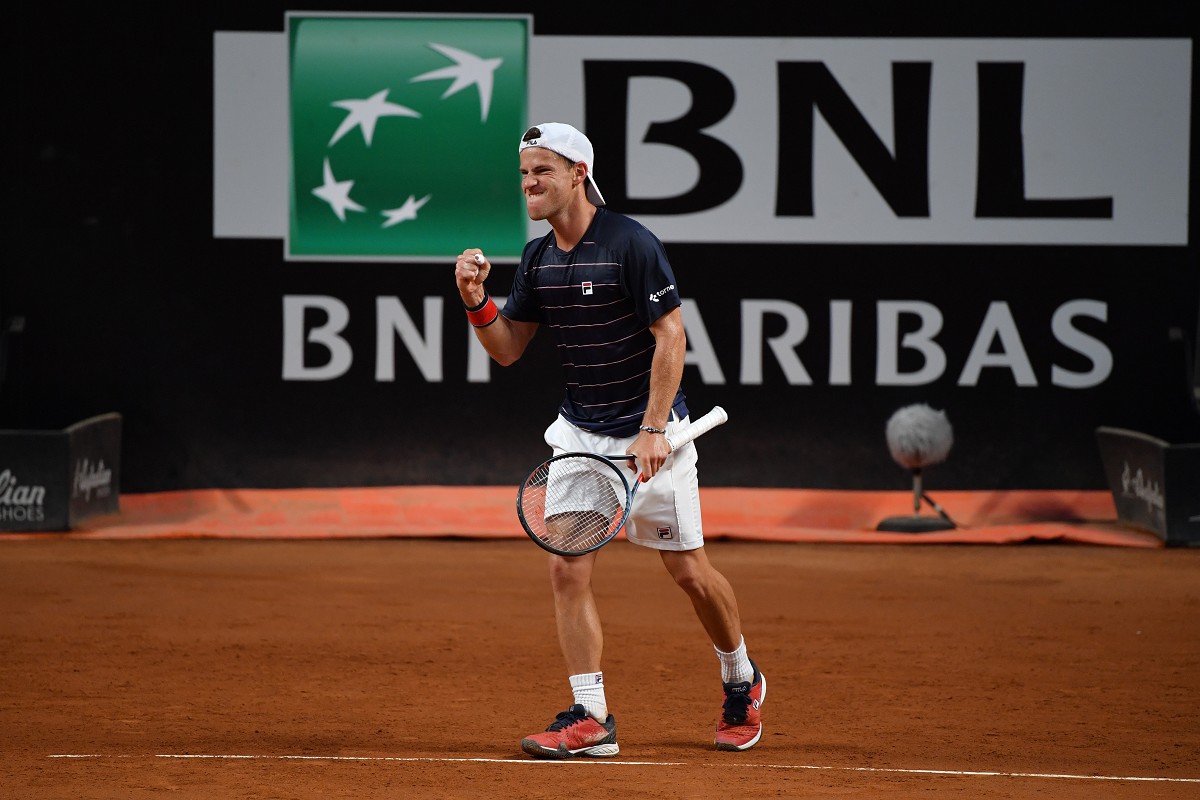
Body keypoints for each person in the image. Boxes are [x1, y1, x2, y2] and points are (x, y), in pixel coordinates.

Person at [454, 122, 765, 759]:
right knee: (566, 569)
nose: (529, 184)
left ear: (577, 174)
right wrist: (476, 301)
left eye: (541, 170)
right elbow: (508, 348)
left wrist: (653, 429)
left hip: (652, 435)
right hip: (580, 434)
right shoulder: (541, 258)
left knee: (688, 572)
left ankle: (741, 679)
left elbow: (671, 336)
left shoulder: (629, 243)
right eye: (522, 174)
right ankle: (591, 717)